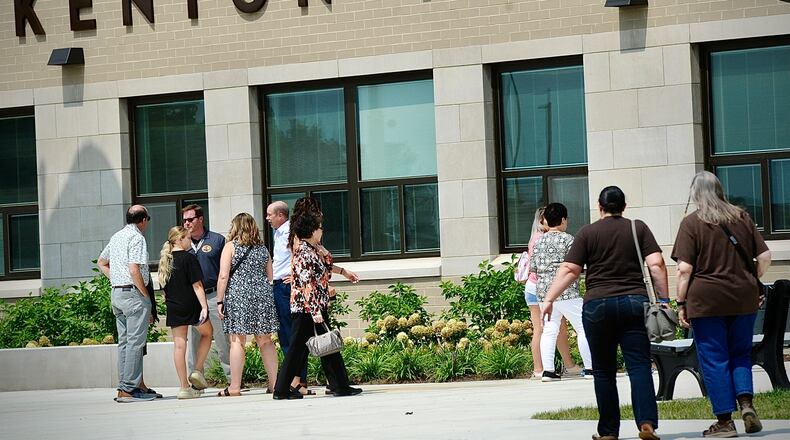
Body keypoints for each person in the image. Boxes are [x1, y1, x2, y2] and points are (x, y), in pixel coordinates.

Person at [542, 186, 667, 440]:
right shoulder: (637, 228)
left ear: (600, 206)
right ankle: (647, 425)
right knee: (639, 366)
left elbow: (569, 269)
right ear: (624, 205)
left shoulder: (588, 232)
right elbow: (657, 264)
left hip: (598, 306)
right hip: (634, 303)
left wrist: (549, 298)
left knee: (603, 371)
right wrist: (664, 300)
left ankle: (609, 432)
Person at [672, 171, 771, 438]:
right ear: (719, 190)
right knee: (740, 353)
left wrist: (680, 302)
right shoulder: (741, 217)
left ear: (694, 193)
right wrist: (751, 278)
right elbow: (764, 256)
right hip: (743, 297)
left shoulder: (692, 223)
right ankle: (747, 405)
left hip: (707, 300)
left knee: (715, 359)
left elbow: (684, 269)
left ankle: (725, 422)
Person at [273, 197, 361, 400]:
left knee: (328, 345)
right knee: (297, 349)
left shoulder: (313, 250)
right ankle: (282, 389)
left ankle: (340, 385)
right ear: (312, 229)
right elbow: (306, 283)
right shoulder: (303, 252)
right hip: (307, 308)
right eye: (319, 227)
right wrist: (314, 311)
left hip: (314, 306)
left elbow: (325, 269)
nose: (322, 230)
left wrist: (342, 269)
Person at [216, 213, 280, 396]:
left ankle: (234, 387)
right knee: (265, 341)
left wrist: (220, 300)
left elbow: (223, 276)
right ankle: (275, 384)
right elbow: (270, 276)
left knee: (237, 340)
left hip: (238, 296)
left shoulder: (230, 247)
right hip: (262, 295)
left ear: (235, 227)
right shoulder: (263, 249)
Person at [97, 205, 156, 403]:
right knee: (135, 343)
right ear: (143, 220)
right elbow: (134, 269)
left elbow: (101, 262)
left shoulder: (117, 236)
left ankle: (126, 386)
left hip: (117, 294)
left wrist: (115, 278)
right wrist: (144, 293)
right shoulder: (137, 238)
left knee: (124, 343)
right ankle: (128, 389)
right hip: (132, 294)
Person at [529, 203, 593, 382]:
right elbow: (578, 265)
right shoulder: (569, 239)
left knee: (549, 330)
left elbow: (533, 267)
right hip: (567, 291)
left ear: (546, 221)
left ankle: (548, 371)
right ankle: (590, 368)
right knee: (583, 327)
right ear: (564, 220)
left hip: (543, 293)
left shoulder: (539, 241)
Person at [522, 207, 579, 379]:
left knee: (547, 329)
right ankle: (547, 368)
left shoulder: (536, 239)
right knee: (549, 329)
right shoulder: (560, 238)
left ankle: (545, 369)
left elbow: (534, 267)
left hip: (537, 288)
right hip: (553, 289)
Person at [158, 226, 213, 399]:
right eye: (188, 238)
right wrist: (204, 306)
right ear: (180, 239)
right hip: (192, 304)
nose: (191, 241)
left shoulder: (165, 261)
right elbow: (197, 285)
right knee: (207, 334)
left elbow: (164, 290)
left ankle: (183, 387)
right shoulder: (189, 258)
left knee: (179, 345)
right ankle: (197, 370)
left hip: (174, 306)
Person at [182, 204, 231, 381]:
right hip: (192, 298)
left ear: (200, 219)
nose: (186, 223)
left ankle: (232, 379)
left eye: (190, 219)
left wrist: (223, 297)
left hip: (213, 295)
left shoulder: (217, 240)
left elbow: (227, 270)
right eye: (185, 220)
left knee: (222, 338)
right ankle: (195, 380)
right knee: (194, 340)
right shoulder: (182, 242)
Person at [266, 201, 308, 387]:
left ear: (280, 215)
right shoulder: (279, 232)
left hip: (286, 287)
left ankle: (297, 379)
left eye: (270, 215)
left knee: (290, 334)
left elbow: (301, 253)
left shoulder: (291, 232)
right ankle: (297, 379)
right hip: (279, 285)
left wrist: (295, 276)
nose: (267, 218)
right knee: (287, 334)